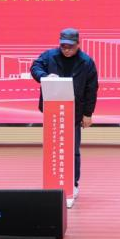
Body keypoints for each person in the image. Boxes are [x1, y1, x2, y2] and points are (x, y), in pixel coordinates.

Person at [31, 27, 98, 199]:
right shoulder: (49, 56)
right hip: (52, 111)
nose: (66, 50)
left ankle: (72, 184)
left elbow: (91, 89)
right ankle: (53, 182)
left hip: (75, 112)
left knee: (73, 149)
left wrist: (88, 114)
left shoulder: (86, 62)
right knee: (53, 148)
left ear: (78, 44)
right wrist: (44, 76)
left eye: (70, 47)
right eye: (63, 46)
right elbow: (35, 66)